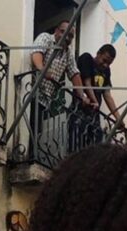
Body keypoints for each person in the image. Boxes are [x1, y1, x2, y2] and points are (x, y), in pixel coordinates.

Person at [30, 21, 86, 159]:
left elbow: (74, 74)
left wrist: (82, 96)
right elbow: (36, 53)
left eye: (71, 36)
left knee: (37, 129)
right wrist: (42, 69)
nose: (67, 37)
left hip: (46, 98)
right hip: (32, 92)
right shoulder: (46, 38)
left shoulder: (68, 53)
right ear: (56, 31)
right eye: (64, 32)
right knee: (32, 124)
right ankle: (30, 155)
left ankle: (33, 155)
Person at [70, 44, 119, 152]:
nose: (105, 65)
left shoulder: (106, 71)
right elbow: (87, 83)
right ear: (98, 53)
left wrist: (118, 118)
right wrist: (95, 101)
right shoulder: (87, 59)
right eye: (104, 60)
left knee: (94, 148)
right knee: (77, 147)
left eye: (109, 63)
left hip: (93, 115)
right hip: (79, 110)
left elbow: (107, 95)